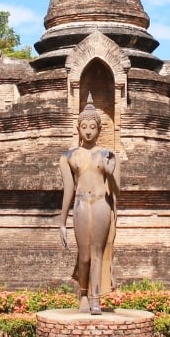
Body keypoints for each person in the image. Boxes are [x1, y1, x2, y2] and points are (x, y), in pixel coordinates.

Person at [59, 95, 119, 315]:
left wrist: (110, 173)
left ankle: (95, 299)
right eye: (84, 126)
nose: (88, 131)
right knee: (83, 254)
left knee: (97, 252)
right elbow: (68, 190)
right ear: (77, 127)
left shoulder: (108, 155)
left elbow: (116, 190)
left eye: (93, 126)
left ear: (99, 128)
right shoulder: (68, 157)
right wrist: (62, 222)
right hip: (82, 203)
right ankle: (83, 293)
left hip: (101, 204)